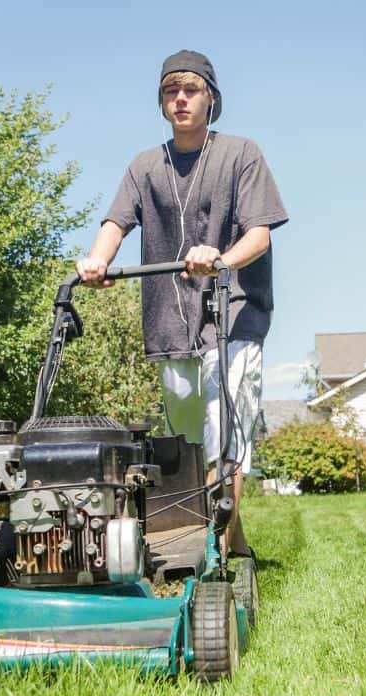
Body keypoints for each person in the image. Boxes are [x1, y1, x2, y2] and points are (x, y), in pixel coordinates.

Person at [76, 50, 288, 558]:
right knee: (188, 442)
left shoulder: (241, 154)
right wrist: (97, 261)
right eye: (171, 91)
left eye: (191, 89)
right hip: (170, 321)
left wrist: (221, 258)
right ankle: (228, 541)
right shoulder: (146, 165)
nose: (180, 99)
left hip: (234, 313)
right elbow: (116, 222)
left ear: (211, 97)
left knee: (224, 433)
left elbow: (258, 236)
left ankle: (214, 550)